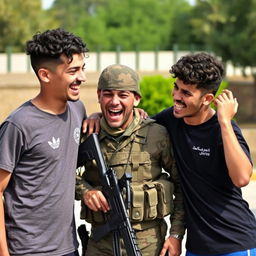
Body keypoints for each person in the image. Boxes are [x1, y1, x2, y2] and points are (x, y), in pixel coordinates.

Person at [75, 64, 185, 256]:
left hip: (150, 246)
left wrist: (176, 235)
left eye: (123, 95)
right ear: (99, 95)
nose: (114, 102)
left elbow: (181, 186)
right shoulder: (86, 135)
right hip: (101, 245)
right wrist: (85, 191)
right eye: (108, 94)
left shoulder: (156, 134)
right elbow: (57, 172)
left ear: (136, 99)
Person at [153, 52, 256, 255]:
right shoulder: (171, 118)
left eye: (186, 93)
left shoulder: (225, 130)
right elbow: (137, 125)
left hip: (235, 244)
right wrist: (96, 116)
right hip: (196, 248)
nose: (176, 97)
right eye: (176, 88)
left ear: (207, 98)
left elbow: (242, 178)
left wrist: (224, 121)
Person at [0, 28, 88, 256]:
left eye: (82, 68)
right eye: (73, 71)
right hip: (27, 251)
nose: (82, 77)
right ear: (45, 75)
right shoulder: (19, 125)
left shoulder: (78, 110)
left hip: (69, 247)